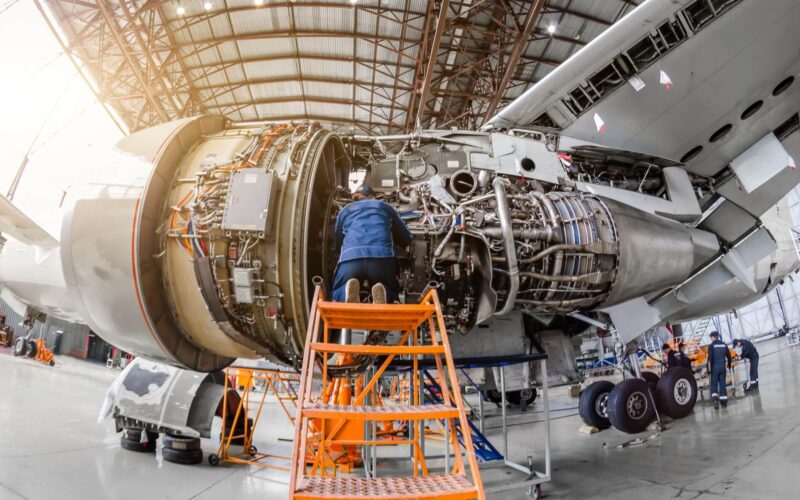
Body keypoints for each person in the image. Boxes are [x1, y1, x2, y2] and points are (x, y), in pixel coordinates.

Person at [331, 185, 413, 304]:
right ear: (373, 197)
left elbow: (338, 243)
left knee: (338, 289)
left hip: (351, 258)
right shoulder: (384, 207)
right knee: (391, 289)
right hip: (381, 259)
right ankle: (384, 292)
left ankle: (346, 291)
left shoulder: (345, 211)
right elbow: (405, 238)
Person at [707, 331, 733, 409]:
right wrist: (728, 365)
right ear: (717, 336)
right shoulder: (724, 345)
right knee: (722, 385)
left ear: (712, 337)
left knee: (714, 384)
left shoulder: (711, 346)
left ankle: (715, 400)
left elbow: (709, 359)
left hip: (715, 368)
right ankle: (724, 403)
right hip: (722, 368)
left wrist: (709, 369)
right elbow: (729, 356)